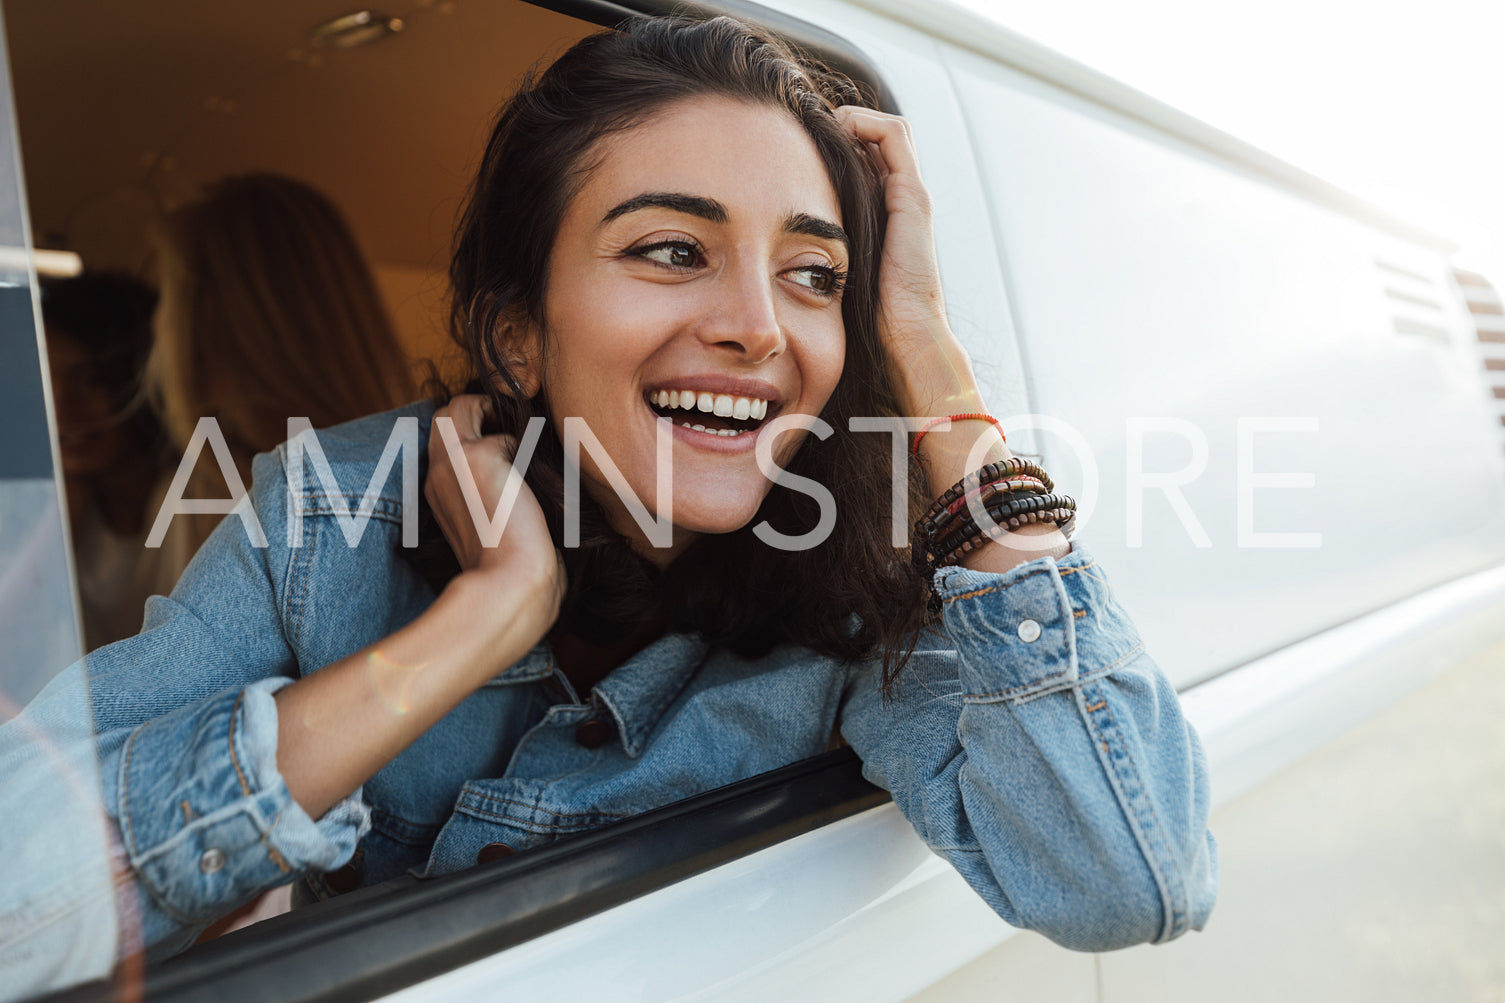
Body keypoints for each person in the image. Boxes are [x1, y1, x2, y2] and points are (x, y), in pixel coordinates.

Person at [0, 14, 1215, 990]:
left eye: (813, 276)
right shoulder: (333, 509)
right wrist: (480, 617)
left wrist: (931, 360)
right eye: (672, 251)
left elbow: (1126, 880)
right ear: (517, 336)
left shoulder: (863, 569)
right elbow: (16, 880)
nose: (754, 325)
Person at [146, 172, 419, 556]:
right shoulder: (198, 498)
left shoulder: (203, 506)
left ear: (209, 318)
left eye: (167, 296)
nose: (156, 322)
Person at [39, 273, 179, 651]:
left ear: (141, 379)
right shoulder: (58, 507)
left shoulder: (193, 499)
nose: (61, 408)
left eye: (90, 380)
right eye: (43, 382)